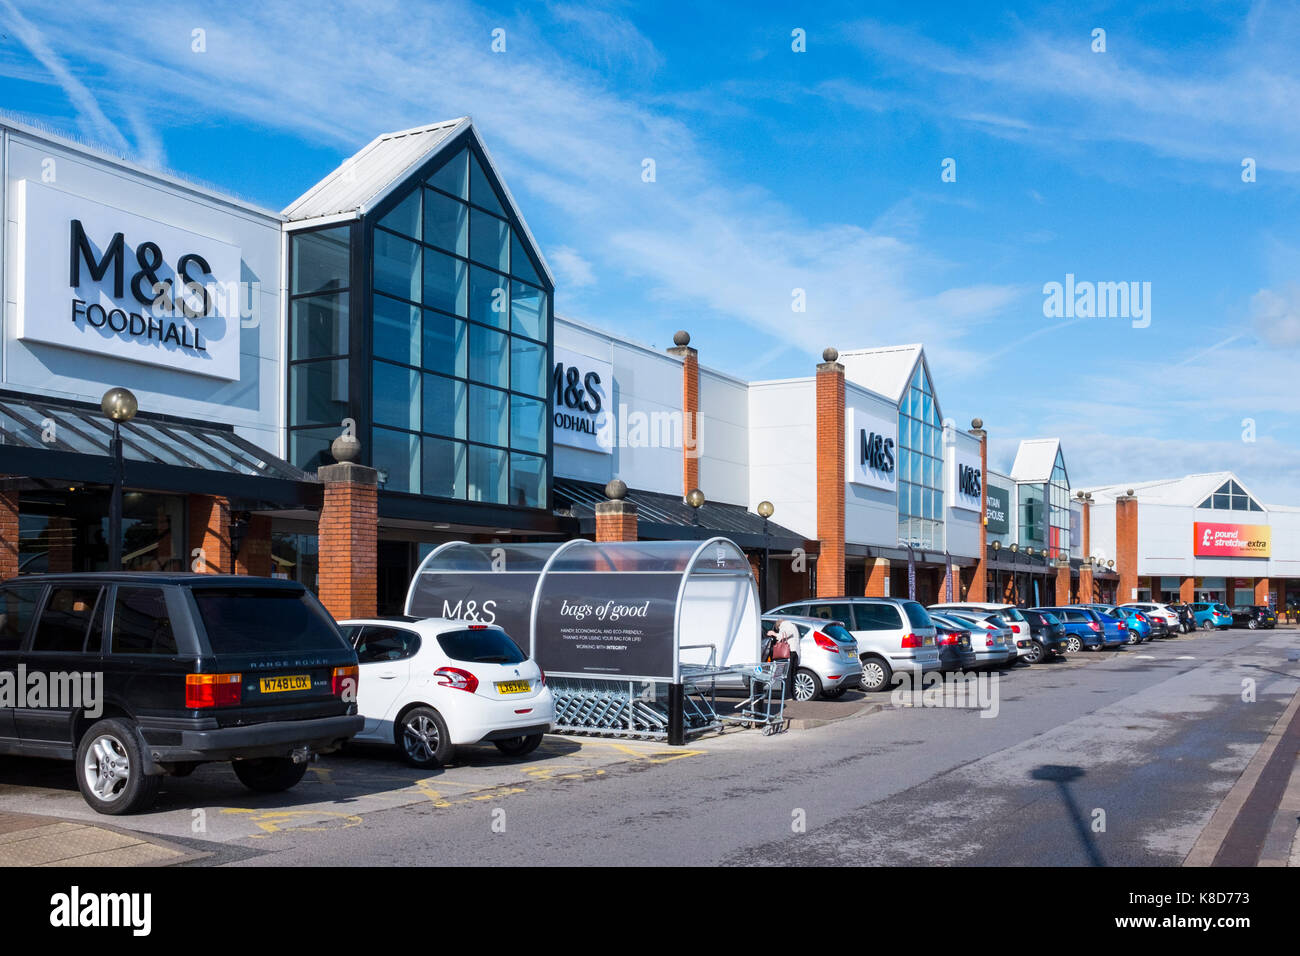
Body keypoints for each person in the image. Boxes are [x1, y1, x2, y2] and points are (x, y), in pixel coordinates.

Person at [766, 618, 801, 699]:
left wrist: (773, 633)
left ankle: (787, 695)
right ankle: (792, 695)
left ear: (778, 625)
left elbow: (783, 635)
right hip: (794, 652)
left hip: (788, 653)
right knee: (792, 675)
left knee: (786, 675)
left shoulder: (785, 625)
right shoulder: (792, 625)